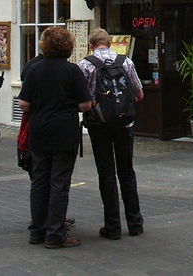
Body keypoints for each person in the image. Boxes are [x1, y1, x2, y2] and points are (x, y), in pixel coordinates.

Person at [18, 27, 91, 249]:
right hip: (64, 132)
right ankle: (55, 233)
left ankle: (37, 231)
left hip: (39, 131)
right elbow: (84, 104)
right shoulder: (72, 71)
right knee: (59, 182)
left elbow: (24, 104)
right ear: (67, 46)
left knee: (40, 180)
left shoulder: (34, 69)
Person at [78, 28, 145, 240]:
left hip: (99, 125)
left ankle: (113, 227)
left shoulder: (86, 65)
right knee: (127, 172)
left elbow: (84, 101)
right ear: (109, 43)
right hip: (125, 124)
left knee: (106, 173)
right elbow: (139, 93)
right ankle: (135, 223)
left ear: (91, 45)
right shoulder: (126, 62)